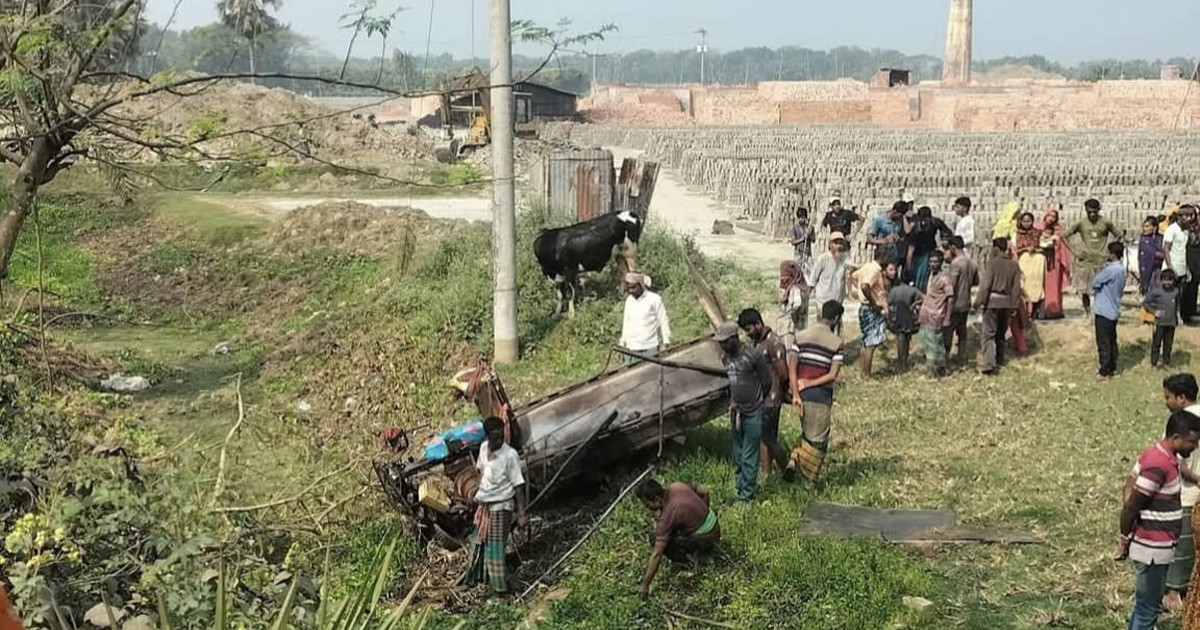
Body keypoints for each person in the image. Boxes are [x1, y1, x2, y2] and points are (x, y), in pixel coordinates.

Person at [1118, 410, 1200, 630]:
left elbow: (1131, 479)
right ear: (1175, 438)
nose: (1194, 447)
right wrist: (1125, 536)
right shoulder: (1159, 463)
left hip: (1157, 547)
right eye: (1192, 442)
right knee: (1148, 610)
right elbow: (1133, 504)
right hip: (1152, 550)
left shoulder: (1161, 455)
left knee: (1144, 606)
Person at [460, 416, 528, 594]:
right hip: (485, 506)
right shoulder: (483, 448)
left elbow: (519, 486)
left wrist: (521, 514)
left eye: (500, 436)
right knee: (478, 545)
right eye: (494, 437)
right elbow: (481, 472)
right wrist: (478, 491)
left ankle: (500, 591)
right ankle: (476, 580)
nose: (498, 440)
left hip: (501, 507)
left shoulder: (510, 455)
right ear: (488, 436)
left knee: (495, 549)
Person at [714, 321, 776, 502]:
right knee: (738, 453)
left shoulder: (753, 355)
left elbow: (766, 381)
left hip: (753, 412)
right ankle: (740, 486)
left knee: (749, 455)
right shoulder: (726, 358)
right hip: (736, 412)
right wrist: (734, 401)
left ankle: (746, 496)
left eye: (724, 342)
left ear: (734, 338)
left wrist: (756, 402)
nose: (721, 345)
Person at [787, 300, 845, 482]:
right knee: (818, 440)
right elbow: (832, 375)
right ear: (835, 319)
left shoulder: (801, 336)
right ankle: (800, 467)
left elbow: (792, 367)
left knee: (808, 433)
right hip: (820, 396)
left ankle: (799, 468)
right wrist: (810, 383)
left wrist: (796, 393)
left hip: (800, 395)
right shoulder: (836, 343)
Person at [636, 478, 720, 599]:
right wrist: (703, 509)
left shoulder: (667, 516)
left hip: (707, 539)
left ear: (656, 499)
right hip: (715, 527)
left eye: (647, 504)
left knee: (655, 539)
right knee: (674, 530)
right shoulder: (676, 486)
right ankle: (700, 547)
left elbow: (656, 554)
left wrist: (645, 585)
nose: (647, 508)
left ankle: (689, 562)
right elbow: (704, 490)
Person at [738, 309, 792, 479]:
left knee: (767, 437)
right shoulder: (757, 343)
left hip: (771, 398)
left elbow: (783, 374)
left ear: (758, 324)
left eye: (749, 329)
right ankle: (766, 474)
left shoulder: (774, 343)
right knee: (764, 438)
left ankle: (787, 469)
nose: (747, 334)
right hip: (761, 398)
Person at [1162, 374, 1200, 614]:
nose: (1165, 401)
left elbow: (1173, 460)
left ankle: (1173, 592)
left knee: (1182, 544)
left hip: (1187, 492)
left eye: (1168, 397)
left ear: (1182, 398)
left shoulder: (1180, 422)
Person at [973, 238, 1023, 375]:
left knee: (988, 334)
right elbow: (1016, 289)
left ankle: (989, 362)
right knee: (1001, 333)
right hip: (1006, 303)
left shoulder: (992, 265)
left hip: (992, 303)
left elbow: (985, 287)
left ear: (995, 249)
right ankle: (1000, 359)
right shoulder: (1014, 265)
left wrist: (977, 303)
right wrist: (1014, 307)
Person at [1065, 199, 1122, 317]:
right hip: (1085, 261)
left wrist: (1110, 252)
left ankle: (1099, 311)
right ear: (1085, 210)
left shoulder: (1106, 222)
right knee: (1083, 289)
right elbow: (1064, 236)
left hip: (1101, 261)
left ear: (1098, 210)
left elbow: (1119, 235)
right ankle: (1088, 312)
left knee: (1100, 289)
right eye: (1089, 212)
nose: (1092, 214)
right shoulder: (1081, 223)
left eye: (1094, 212)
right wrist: (1074, 251)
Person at [851, 248, 893, 379]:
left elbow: (853, 277)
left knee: (866, 341)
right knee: (872, 343)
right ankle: (867, 375)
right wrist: (873, 302)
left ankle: (863, 372)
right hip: (871, 308)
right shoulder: (875, 270)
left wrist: (857, 293)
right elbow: (865, 286)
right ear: (884, 256)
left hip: (864, 306)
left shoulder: (867, 266)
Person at [1093, 242, 1128, 380]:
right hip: (1113, 309)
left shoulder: (1111, 270)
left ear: (1112, 255)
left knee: (1103, 342)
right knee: (1112, 340)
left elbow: (1096, 282)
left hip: (1103, 310)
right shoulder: (1122, 270)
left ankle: (1104, 371)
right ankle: (1112, 367)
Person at [619, 272, 671, 364]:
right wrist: (622, 344)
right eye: (628, 288)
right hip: (632, 350)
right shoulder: (629, 301)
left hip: (651, 348)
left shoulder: (654, 299)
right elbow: (626, 324)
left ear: (641, 285)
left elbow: (663, 321)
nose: (630, 291)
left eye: (633, 287)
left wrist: (666, 342)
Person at [917, 251, 953, 377]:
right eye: (931, 262)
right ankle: (938, 369)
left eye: (936, 262)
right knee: (927, 343)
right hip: (926, 314)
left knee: (935, 344)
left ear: (941, 262)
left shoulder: (945, 278)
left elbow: (950, 298)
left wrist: (947, 317)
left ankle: (933, 373)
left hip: (937, 314)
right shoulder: (931, 275)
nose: (933, 264)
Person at [943, 236, 978, 362]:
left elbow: (952, 286)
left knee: (947, 331)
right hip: (966, 302)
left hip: (955, 303)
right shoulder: (972, 262)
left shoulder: (956, 264)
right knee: (962, 332)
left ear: (953, 247)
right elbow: (976, 281)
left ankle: (945, 359)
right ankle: (962, 358)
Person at [808, 233, 850, 334]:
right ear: (830, 245)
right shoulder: (823, 259)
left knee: (836, 328)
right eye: (836, 243)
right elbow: (813, 278)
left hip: (837, 301)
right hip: (823, 302)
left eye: (841, 243)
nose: (839, 246)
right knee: (823, 328)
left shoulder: (845, 259)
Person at [905, 206, 953, 291]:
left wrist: (908, 266)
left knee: (918, 279)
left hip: (919, 256)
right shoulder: (934, 222)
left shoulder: (915, 226)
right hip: (930, 253)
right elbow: (947, 232)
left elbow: (911, 249)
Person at [1036, 207, 1071, 320]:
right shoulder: (1037, 228)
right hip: (1040, 260)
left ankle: (1054, 310)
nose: (1051, 219)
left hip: (1054, 262)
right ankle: (1039, 310)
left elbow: (1063, 245)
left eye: (1054, 217)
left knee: (1054, 286)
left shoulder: (1058, 230)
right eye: (1049, 216)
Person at [1165, 205, 1196, 323]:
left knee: (1179, 294)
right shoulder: (1171, 229)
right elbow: (1166, 249)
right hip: (1172, 265)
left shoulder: (1186, 231)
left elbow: (1184, 249)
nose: (1189, 218)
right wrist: (1170, 267)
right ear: (1179, 216)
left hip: (1182, 266)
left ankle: (1178, 315)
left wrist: (1187, 269)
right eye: (1186, 215)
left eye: (1190, 215)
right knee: (1169, 294)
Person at [1145, 269, 1181, 368]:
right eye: (1165, 280)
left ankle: (1166, 362)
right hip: (1159, 322)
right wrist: (1154, 312)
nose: (1168, 282)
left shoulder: (1176, 291)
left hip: (1171, 322)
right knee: (1156, 343)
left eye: (1170, 280)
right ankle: (1154, 363)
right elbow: (1146, 303)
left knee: (1168, 344)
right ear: (1161, 280)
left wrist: (1178, 316)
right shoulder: (1156, 291)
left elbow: (1177, 304)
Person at [1012, 212, 1046, 316]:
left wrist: (1036, 249)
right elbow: (1014, 250)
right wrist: (1025, 249)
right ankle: (1024, 312)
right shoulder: (1016, 234)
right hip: (1024, 261)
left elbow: (1045, 246)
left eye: (1029, 221)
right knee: (1024, 285)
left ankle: (1036, 311)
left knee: (1037, 285)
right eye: (1024, 221)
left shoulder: (1039, 233)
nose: (1026, 223)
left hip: (1037, 262)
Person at [887, 276, 922, 373]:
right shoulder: (913, 290)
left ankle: (900, 361)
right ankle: (905, 361)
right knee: (907, 339)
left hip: (898, 316)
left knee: (900, 339)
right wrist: (914, 305)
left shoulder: (894, 290)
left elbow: (889, 302)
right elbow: (923, 298)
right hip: (908, 316)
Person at [868, 202, 908, 276]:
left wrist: (898, 239)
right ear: (895, 212)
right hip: (882, 254)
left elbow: (903, 236)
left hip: (894, 254)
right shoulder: (879, 220)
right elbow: (869, 239)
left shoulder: (899, 222)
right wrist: (884, 241)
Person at [778, 261, 809, 344]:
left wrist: (791, 316)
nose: (783, 279)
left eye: (785, 277)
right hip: (792, 327)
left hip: (790, 329)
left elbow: (797, 305)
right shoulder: (797, 287)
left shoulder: (795, 289)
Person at [1139, 216, 1165, 295]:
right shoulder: (1144, 240)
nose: (1144, 229)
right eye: (1143, 226)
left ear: (1154, 228)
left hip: (1160, 269)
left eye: (1147, 226)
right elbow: (1154, 253)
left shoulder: (1161, 238)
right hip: (1148, 270)